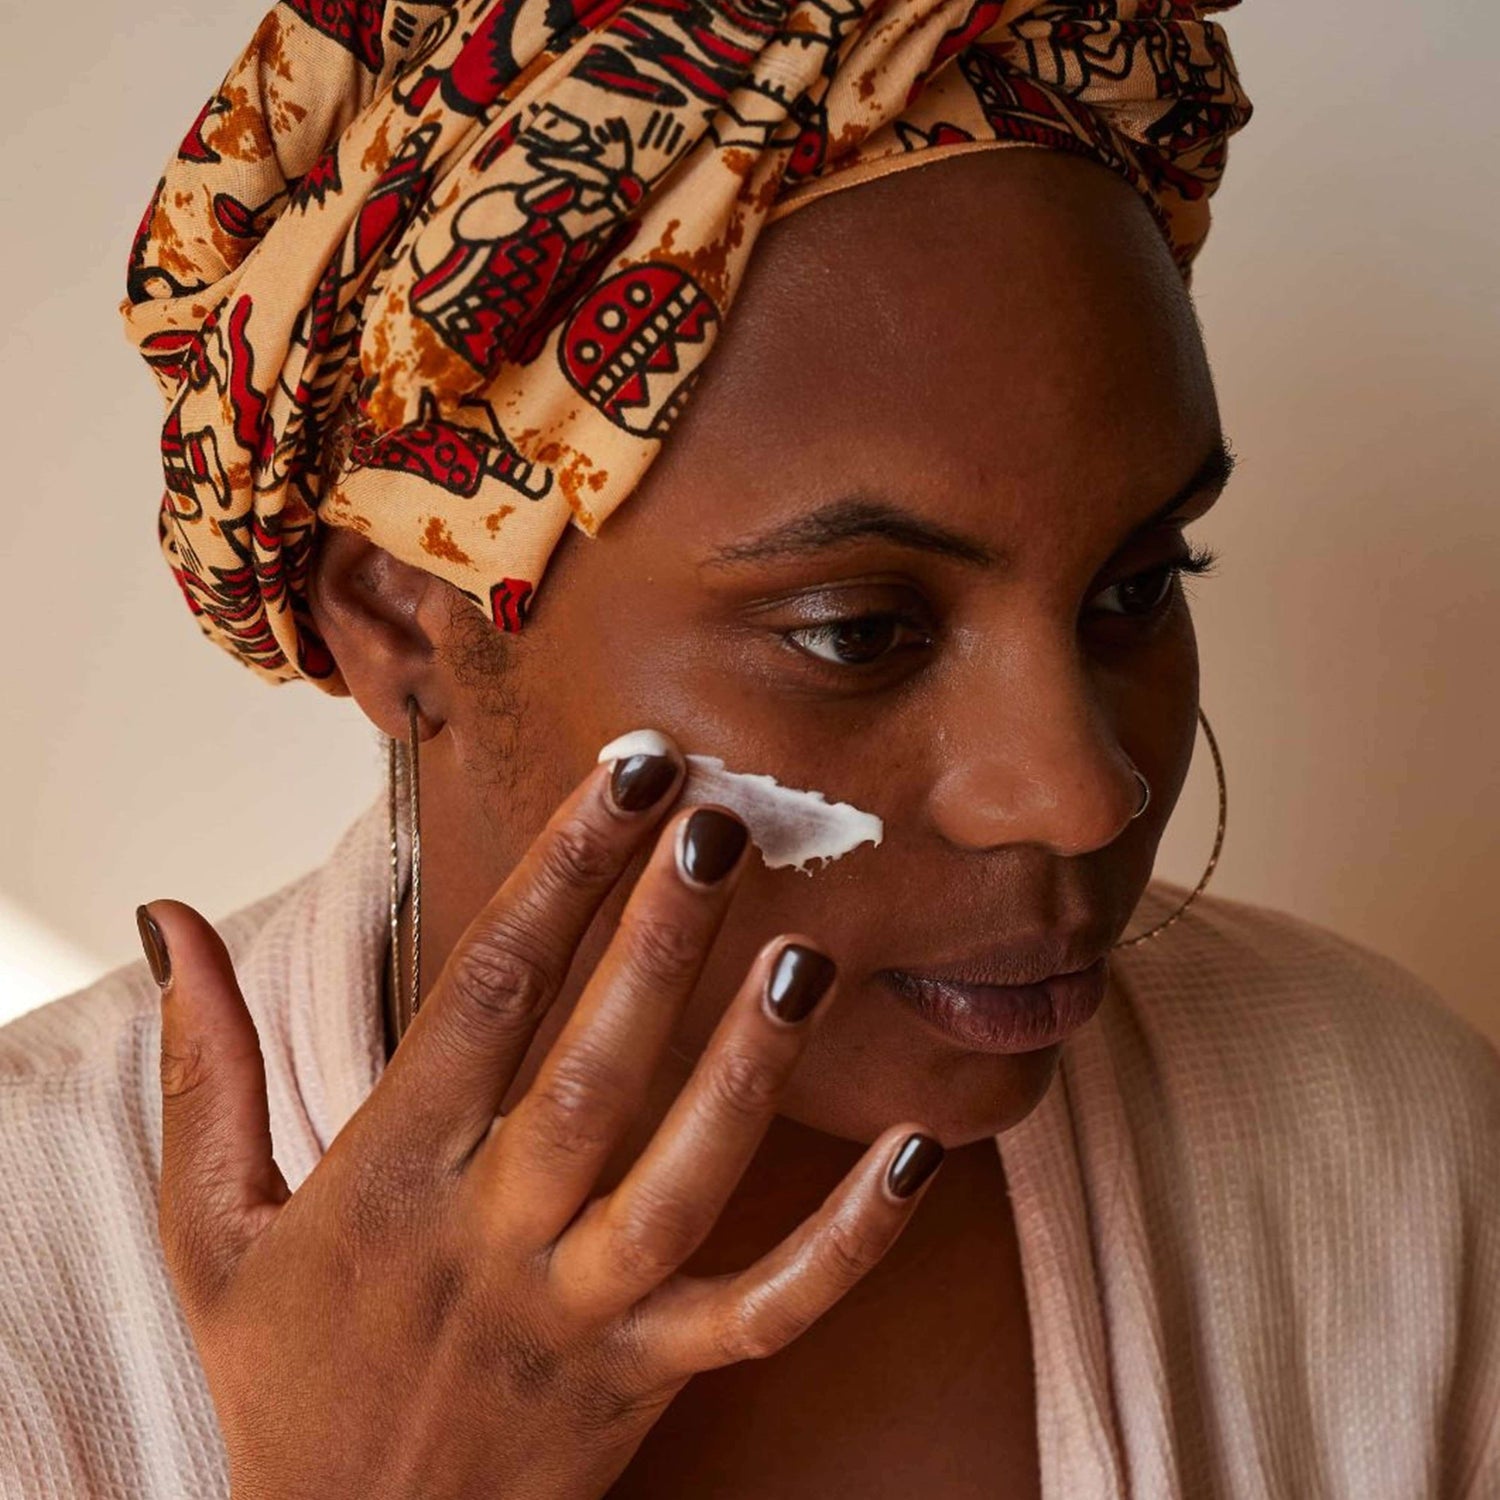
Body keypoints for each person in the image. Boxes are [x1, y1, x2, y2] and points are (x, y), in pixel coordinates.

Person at [2, 0, 1497, 1494]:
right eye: (858, 629)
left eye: (1136, 587)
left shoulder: (1382, 1148)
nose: (1082, 790)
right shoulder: (33, 1291)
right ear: (402, 622)